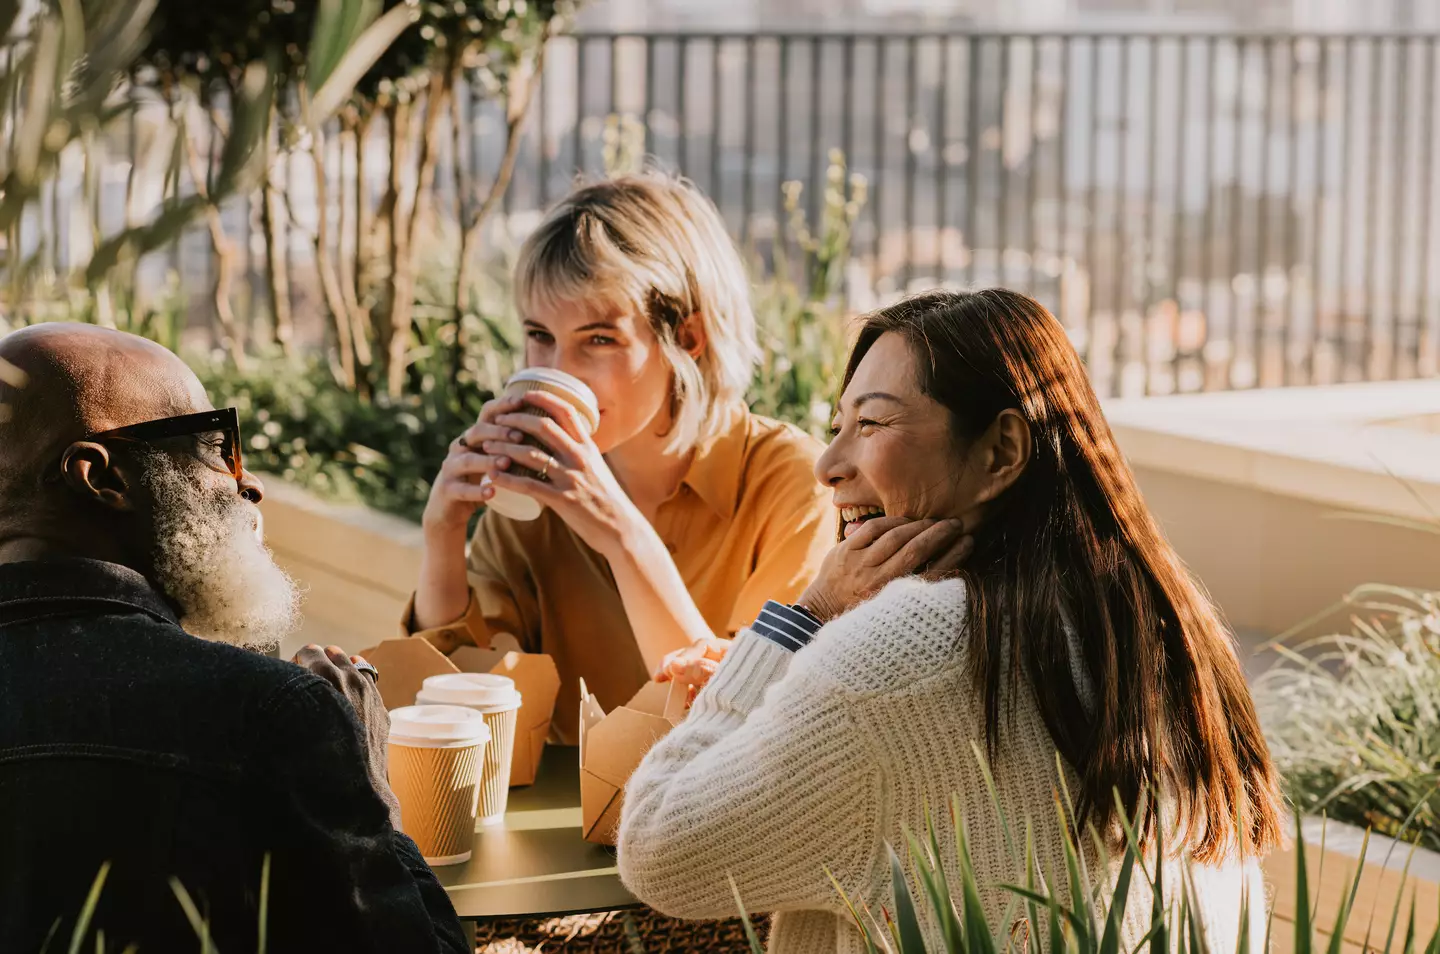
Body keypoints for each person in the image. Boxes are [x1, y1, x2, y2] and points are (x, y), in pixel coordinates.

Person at [618, 289, 1283, 953]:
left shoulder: (905, 651)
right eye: (837, 426)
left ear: (1000, 452)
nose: (828, 466)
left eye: (871, 425)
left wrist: (805, 618)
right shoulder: (1158, 621)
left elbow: (659, 852)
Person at [0, 324, 469, 953]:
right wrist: (370, 791)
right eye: (216, 445)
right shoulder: (272, 716)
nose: (248, 482)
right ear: (102, 478)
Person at [406, 172, 832, 739]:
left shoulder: (796, 485)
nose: (557, 369)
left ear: (688, 338)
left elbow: (744, 732)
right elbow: (458, 717)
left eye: (598, 339)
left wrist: (622, 536)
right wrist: (442, 536)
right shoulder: (533, 499)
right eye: (539, 334)